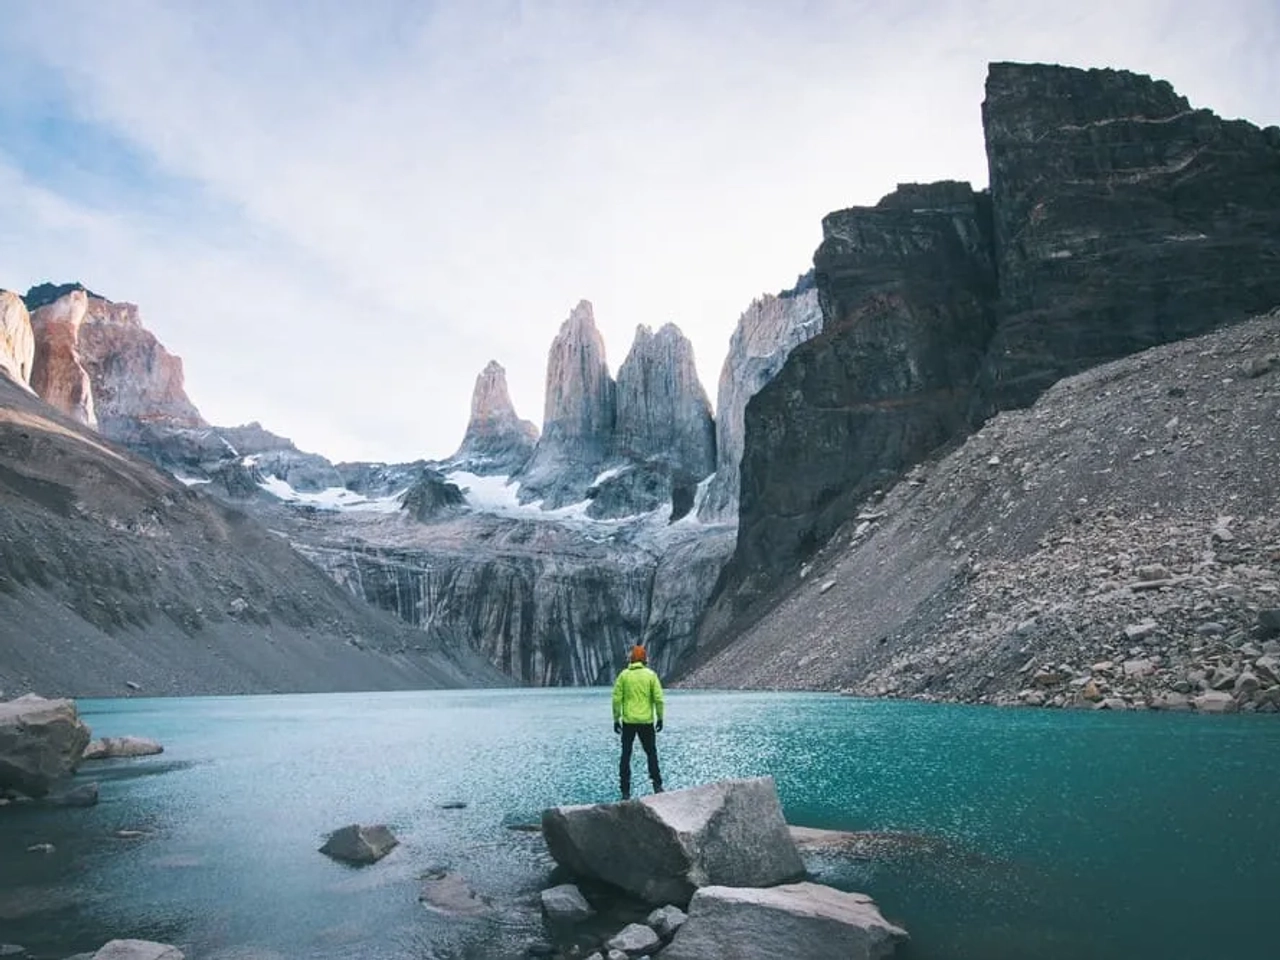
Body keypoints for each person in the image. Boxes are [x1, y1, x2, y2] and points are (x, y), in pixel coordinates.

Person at [612, 644, 664, 800]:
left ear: (631, 659)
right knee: (651, 753)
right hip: (646, 722)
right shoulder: (651, 675)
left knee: (626, 755)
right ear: (644, 659)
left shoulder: (624, 676)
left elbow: (616, 700)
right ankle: (657, 785)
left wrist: (616, 719)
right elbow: (658, 699)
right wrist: (660, 717)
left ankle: (625, 791)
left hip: (628, 722)